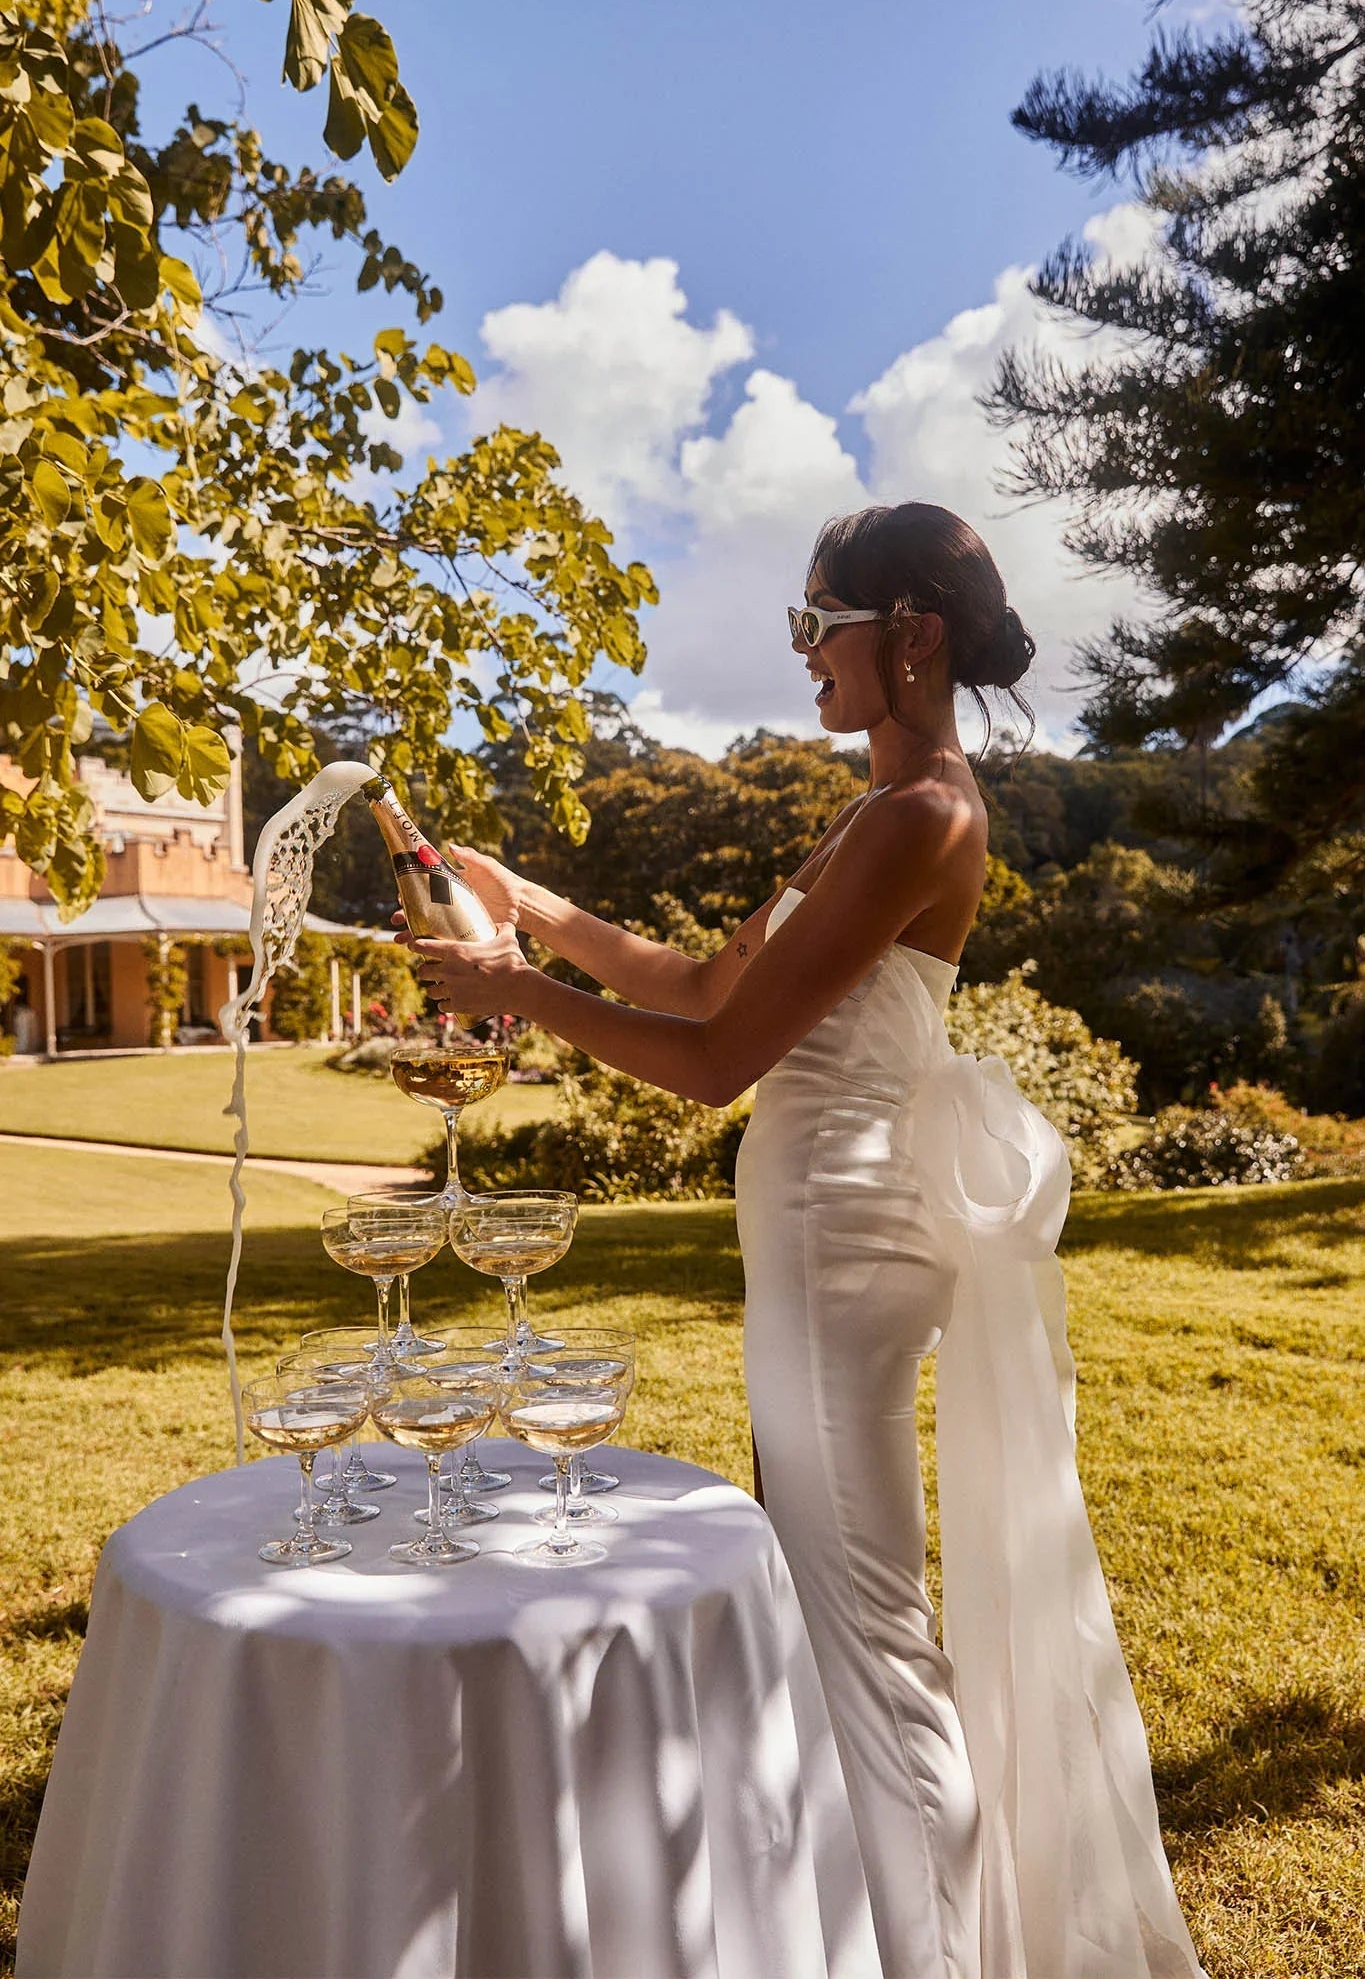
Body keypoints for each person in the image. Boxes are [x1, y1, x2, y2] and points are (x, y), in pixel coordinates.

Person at [403, 501, 1205, 1979]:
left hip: (844, 1239)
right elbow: (705, 986)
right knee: (822, 1597)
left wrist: (512, 995)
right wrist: (533, 912)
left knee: (864, 1624)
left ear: (913, 635)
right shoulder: (868, 814)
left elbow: (718, 1066)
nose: (799, 654)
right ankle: (863, 1934)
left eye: (815, 622)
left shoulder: (923, 817)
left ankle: (940, 1958)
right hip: (814, 1233)